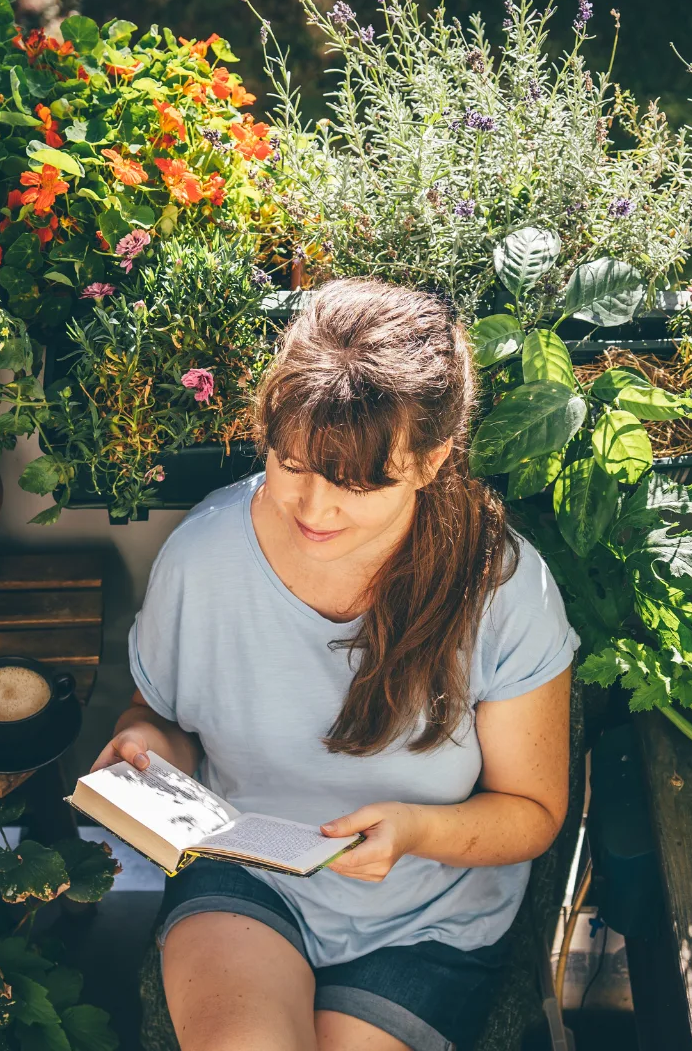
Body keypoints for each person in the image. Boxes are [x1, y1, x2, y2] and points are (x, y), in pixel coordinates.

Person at [93, 279, 577, 1051]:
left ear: (432, 458)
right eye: (292, 466)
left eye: (360, 482)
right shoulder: (204, 555)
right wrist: (148, 753)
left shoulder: (502, 588)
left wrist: (413, 831)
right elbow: (159, 717)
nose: (315, 510)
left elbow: (534, 813)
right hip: (249, 876)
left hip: (426, 915)